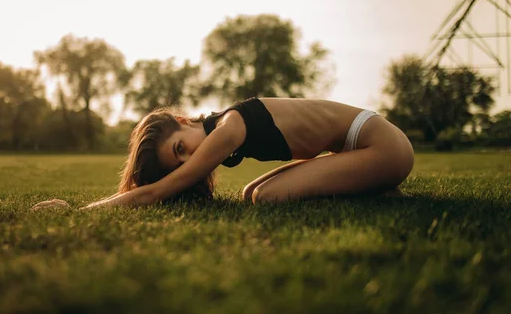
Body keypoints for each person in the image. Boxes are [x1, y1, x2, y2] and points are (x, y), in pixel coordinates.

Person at [31, 97, 414, 211]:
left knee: (268, 196)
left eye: (179, 147)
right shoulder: (226, 126)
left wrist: (78, 212)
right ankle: (373, 187)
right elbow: (165, 185)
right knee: (250, 195)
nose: (189, 161)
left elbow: (157, 191)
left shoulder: (229, 126)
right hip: (366, 147)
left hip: (381, 145)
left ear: (183, 120)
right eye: (179, 160)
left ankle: (375, 183)